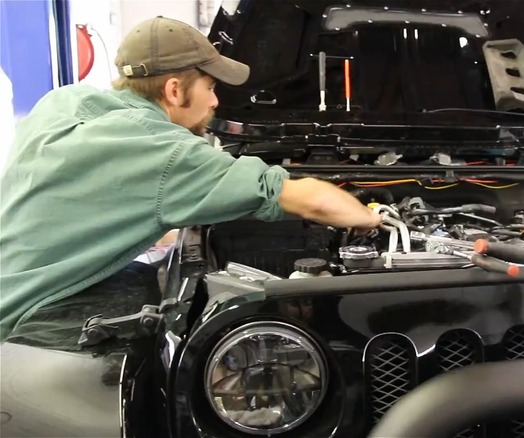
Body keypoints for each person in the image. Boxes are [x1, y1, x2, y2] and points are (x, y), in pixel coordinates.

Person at [0, 16, 381, 347]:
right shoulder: (164, 153)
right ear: (174, 90)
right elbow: (305, 200)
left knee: (155, 276)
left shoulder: (65, 100)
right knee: (182, 331)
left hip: (13, 281)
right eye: (211, 87)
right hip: (26, 321)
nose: (216, 102)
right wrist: (373, 220)